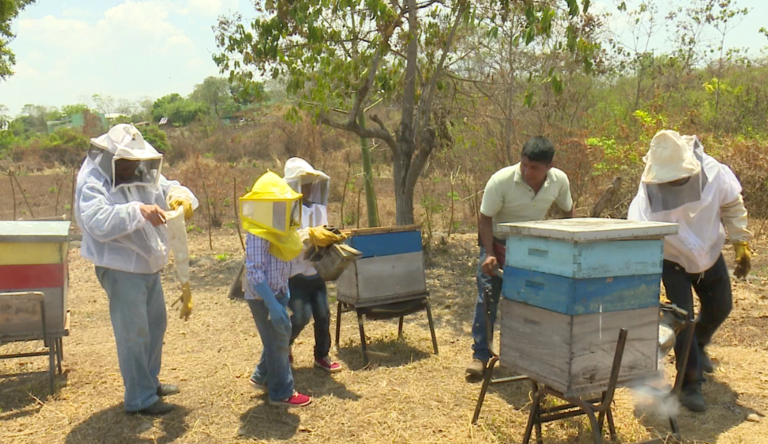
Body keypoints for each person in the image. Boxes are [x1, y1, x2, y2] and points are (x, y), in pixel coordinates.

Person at [75, 124, 198, 415]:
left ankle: (149, 384)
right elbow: (96, 220)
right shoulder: (93, 178)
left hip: (146, 264)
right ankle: (139, 398)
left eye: (135, 163)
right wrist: (137, 210)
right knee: (134, 333)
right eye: (127, 164)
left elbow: (167, 187)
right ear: (113, 158)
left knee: (155, 326)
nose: (132, 169)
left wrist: (180, 196)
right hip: (118, 265)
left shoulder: (138, 170)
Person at [628, 130, 753, 413]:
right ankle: (689, 384)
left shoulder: (714, 172)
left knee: (721, 306)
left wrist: (740, 241)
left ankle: (698, 344)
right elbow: (639, 230)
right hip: (672, 259)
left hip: (709, 250)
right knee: (681, 320)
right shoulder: (648, 190)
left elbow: (732, 204)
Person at [466, 136, 574, 379]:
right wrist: (490, 254)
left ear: (549, 166)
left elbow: (568, 212)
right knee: (488, 299)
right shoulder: (501, 180)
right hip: (497, 244)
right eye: (524, 164)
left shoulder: (559, 181)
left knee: (533, 301)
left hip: (531, 248)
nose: (527, 171)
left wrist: (568, 248)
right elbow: (485, 218)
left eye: (534, 167)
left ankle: (527, 354)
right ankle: (480, 356)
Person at [240, 171, 312, 407]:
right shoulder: (257, 233)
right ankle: (282, 393)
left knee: (274, 337)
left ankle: (262, 377)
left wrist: (283, 293)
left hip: (277, 292)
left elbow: (282, 261)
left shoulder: (279, 228)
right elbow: (254, 271)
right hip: (263, 297)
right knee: (279, 341)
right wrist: (271, 302)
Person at [283, 158, 342, 372]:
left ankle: (322, 355)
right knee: (300, 317)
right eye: (303, 183)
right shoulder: (285, 210)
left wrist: (330, 237)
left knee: (323, 314)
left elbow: (322, 232)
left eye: (310, 183)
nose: (308, 188)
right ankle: (283, 347)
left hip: (314, 271)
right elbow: (286, 239)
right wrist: (309, 235)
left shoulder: (317, 209)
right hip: (293, 273)